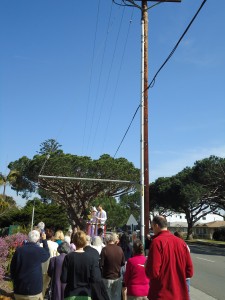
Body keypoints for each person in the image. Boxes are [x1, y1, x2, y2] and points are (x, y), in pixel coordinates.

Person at [145, 216, 194, 300]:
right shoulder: (181, 243)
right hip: (180, 294)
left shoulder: (157, 242)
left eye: (152, 227)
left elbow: (153, 272)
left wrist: (147, 266)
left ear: (156, 226)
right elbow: (189, 272)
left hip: (161, 293)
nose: (152, 230)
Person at [10, 230, 50, 300]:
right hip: (35, 289)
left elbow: (12, 268)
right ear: (38, 240)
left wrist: (14, 282)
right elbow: (47, 254)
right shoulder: (39, 251)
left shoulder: (19, 250)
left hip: (20, 288)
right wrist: (44, 240)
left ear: (28, 238)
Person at [61, 230, 99, 300]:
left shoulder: (68, 257)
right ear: (85, 241)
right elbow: (95, 278)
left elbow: (63, 279)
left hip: (70, 293)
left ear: (74, 241)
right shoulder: (91, 258)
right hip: (86, 293)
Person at [100, 233, 125, 300]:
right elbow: (123, 263)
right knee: (116, 297)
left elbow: (101, 264)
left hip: (106, 277)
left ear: (106, 241)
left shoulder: (104, 249)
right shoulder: (120, 249)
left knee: (107, 297)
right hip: (117, 277)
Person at [42, 228, 58, 297]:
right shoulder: (55, 245)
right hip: (50, 267)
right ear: (52, 236)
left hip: (42, 267)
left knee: (41, 285)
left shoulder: (41, 244)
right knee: (46, 285)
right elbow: (57, 256)